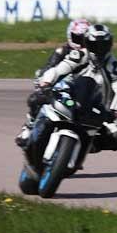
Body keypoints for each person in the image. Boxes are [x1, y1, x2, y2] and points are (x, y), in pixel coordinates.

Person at [28, 24, 117, 153]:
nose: (99, 49)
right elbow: (59, 69)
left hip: (96, 108)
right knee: (37, 98)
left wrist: (114, 110)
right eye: (94, 45)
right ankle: (29, 128)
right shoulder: (79, 55)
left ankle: (83, 147)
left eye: (103, 45)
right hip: (69, 94)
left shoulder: (115, 67)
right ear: (87, 43)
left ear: (110, 44)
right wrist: (46, 83)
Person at [15, 19, 91, 147]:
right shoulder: (62, 51)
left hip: (80, 91)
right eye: (78, 38)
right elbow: (49, 68)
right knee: (36, 98)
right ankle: (28, 127)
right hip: (59, 87)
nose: (81, 42)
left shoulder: (91, 55)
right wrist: (43, 81)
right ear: (70, 36)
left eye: (84, 39)